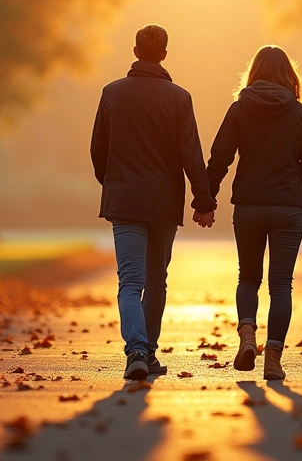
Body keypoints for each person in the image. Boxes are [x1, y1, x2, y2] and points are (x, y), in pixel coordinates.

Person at [90, 24, 216, 380]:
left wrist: (114, 183)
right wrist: (202, 200)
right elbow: (190, 153)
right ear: (164, 54)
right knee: (156, 280)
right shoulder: (178, 98)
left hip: (125, 199)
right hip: (162, 203)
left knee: (130, 281)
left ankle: (137, 352)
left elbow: (98, 149)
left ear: (134, 52)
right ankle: (148, 352)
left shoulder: (112, 93)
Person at [205, 45, 302, 381]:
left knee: (248, 277)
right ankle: (272, 358)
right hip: (288, 207)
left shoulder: (240, 109)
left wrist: (206, 199)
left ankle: (247, 336)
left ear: (254, 72)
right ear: (289, 74)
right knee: (281, 285)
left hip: (248, 206)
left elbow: (220, 158)